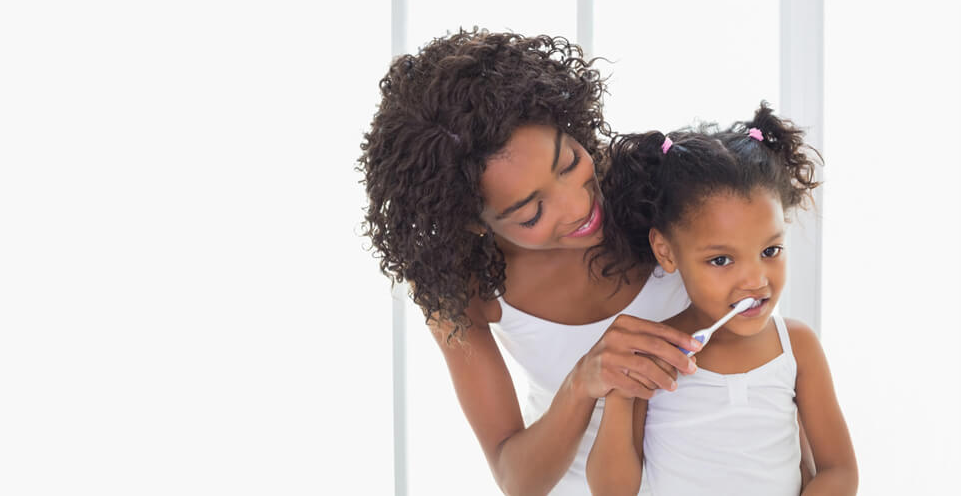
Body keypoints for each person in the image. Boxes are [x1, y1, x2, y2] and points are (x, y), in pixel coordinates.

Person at [357, 29, 707, 495]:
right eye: (532, 212)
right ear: (474, 223)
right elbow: (515, 478)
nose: (578, 207)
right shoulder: (466, 291)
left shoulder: (655, 186)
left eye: (569, 162)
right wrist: (584, 381)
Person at [585, 104, 858, 495]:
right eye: (721, 260)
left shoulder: (797, 348)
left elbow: (839, 471)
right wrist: (620, 396)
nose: (755, 279)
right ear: (666, 252)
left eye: (770, 251)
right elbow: (613, 490)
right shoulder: (650, 353)